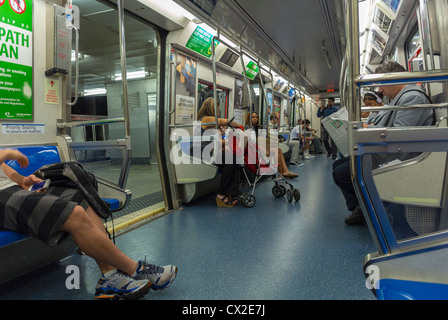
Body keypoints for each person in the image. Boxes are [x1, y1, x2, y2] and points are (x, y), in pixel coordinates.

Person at [0, 149, 177, 300]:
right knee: (74, 213)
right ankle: (134, 268)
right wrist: (8, 153)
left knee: (80, 197)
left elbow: (3, 169)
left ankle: (109, 276)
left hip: (10, 190)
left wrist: (22, 181)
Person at [332, 60, 434, 226]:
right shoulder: (400, 99)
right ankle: (361, 207)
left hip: (398, 154)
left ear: (395, 79)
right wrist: (369, 128)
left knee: (342, 174)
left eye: (382, 85)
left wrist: (369, 131)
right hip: (386, 147)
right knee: (338, 165)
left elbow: (400, 137)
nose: (380, 90)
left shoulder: (413, 98)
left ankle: (374, 206)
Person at [196, 97, 243, 207]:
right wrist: (240, 126)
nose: (218, 109)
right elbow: (226, 121)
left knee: (233, 158)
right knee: (232, 159)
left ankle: (231, 192)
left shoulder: (207, 121)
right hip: (203, 154)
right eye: (217, 107)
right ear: (211, 108)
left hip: (208, 152)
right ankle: (222, 194)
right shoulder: (206, 119)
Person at [245, 112, 297, 179]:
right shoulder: (247, 129)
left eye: (256, 117)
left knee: (279, 150)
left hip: (259, 147)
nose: (255, 119)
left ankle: (284, 172)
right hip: (254, 150)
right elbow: (251, 143)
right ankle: (281, 173)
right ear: (248, 118)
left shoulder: (257, 128)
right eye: (253, 117)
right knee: (276, 151)